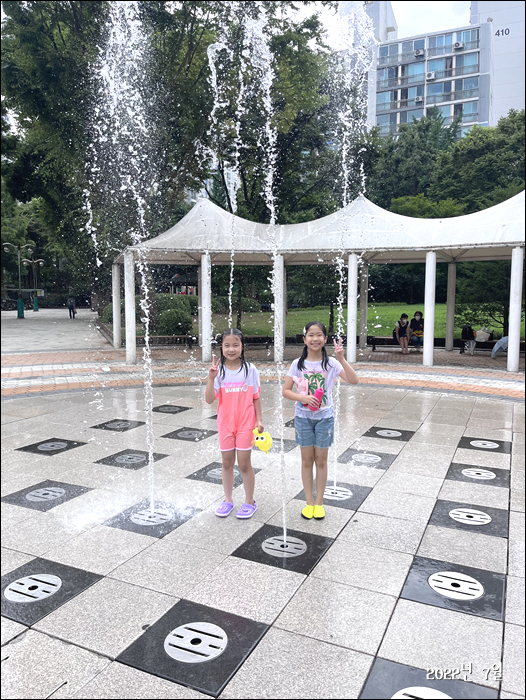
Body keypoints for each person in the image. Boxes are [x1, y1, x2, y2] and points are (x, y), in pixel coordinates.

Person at [282, 321, 359, 521]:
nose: (315, 339)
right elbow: (286, 391)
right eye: (311, 335)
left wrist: (342, 359)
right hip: (303, 418)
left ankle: (319, 503)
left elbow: (354, 380)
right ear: (304, 339)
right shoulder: (297, 364)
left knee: (322, 461)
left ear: (325, 339)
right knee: (307, 460)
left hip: (325, 418)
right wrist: (304, 398)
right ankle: (309, 502)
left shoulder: (331, 363)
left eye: (319, 335)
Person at [205, 328, 263, 519]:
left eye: (235, 345)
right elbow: (209, 399)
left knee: (244, 464)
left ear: (242, 346)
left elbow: (256, 397)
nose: (231, 349)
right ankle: (228, 500)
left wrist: (259, 420)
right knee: (226, 462)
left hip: (246, 423)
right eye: (227, 345)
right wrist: (211, 379)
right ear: (221, 348)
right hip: (225, 424)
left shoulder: (250, 370)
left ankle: (249, 501)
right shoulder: (218, 371)